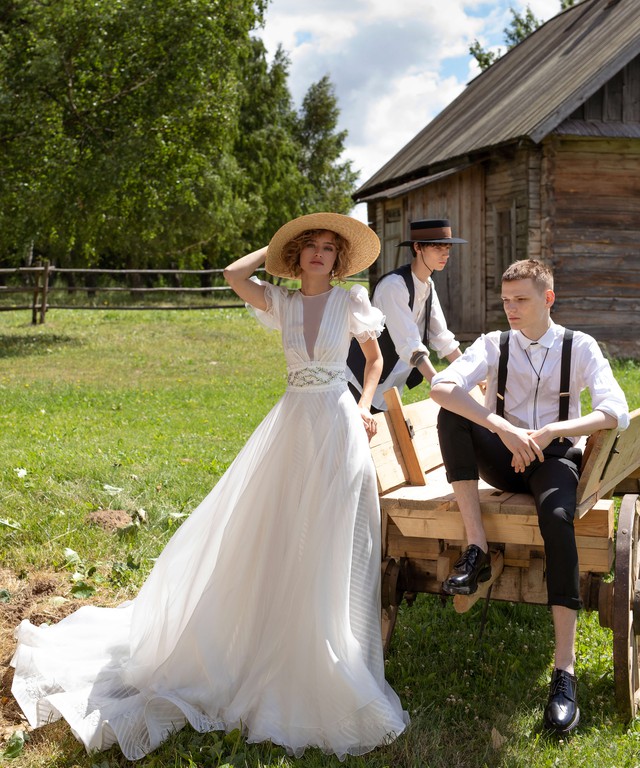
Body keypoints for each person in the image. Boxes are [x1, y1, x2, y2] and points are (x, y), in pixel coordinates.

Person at [11, 212, 409, 760]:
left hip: (336, 423)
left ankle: (326, 644)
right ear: (298, 258)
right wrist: (276, 250)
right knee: (275, 528)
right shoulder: (283, 302)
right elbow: (232, 273)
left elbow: (374, 359)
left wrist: (365, 406)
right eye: (310, 248)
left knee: (331, 532)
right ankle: (269, 636)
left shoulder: (353, 302)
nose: (320, 255)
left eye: (328, 249)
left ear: (340, 259)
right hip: (293, 420)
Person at [429, 258, 629, 736]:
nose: (511, 309)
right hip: (503, 454)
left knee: (558, 517)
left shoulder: (579, 346)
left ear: (548, 299)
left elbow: (616, 409)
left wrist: (553, 430)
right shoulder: (495, 344)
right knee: (451, 414)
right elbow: (441, 384)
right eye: (506, 301)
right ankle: (476, 547)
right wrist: (500, 426)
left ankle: (565, 671)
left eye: (521, 300)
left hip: (554, 456)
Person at [347, 218, 464, 412]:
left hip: (389, 386)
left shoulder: (428, 286)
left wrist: (471, 373)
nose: (445, 254)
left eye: (448, 248)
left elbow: (442, 338)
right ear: (418, 247)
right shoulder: (393, 286)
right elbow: (409, 344)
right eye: (437, 248)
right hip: (359, 383)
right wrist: (437, 383)